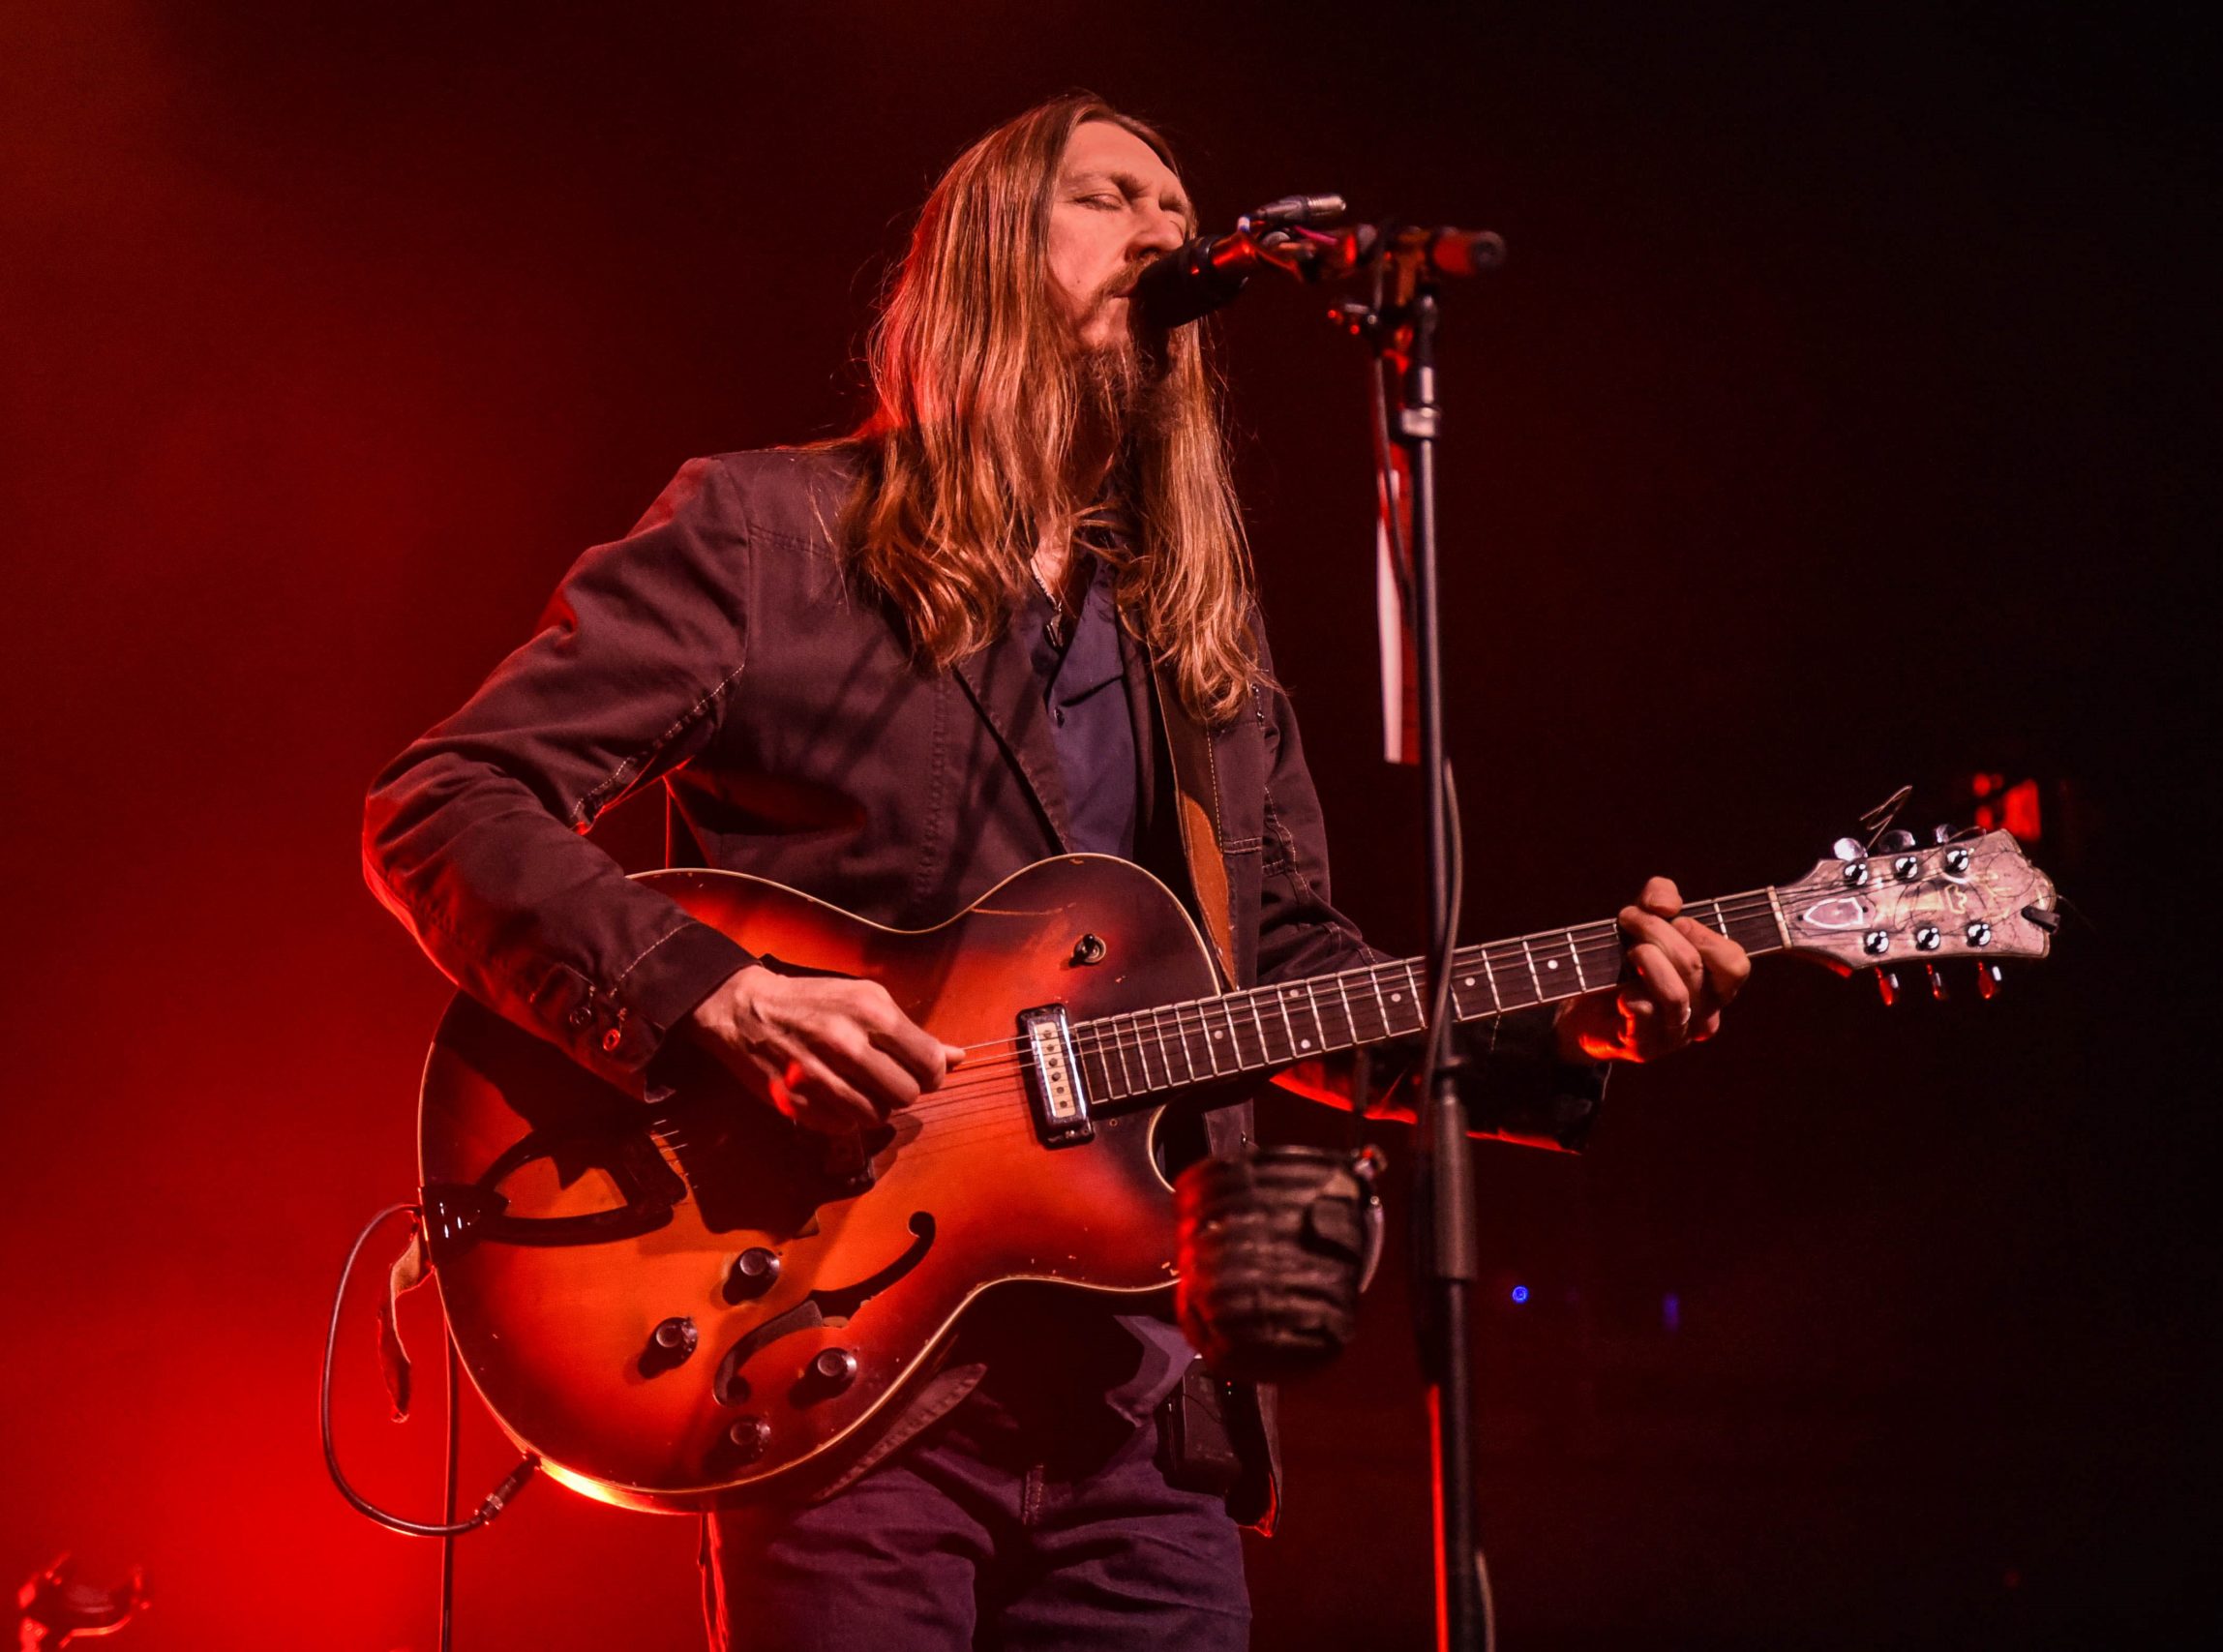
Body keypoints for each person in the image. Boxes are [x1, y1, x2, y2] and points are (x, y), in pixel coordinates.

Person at [363, 94, 1750, 1652]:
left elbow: (1284, 979)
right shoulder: (770, 533)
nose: (1169, 234)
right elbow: (449, 800)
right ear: (985, 257)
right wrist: (721, 1000)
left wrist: (1563, 1026)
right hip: (828, 1365)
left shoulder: (1196, 643)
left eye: (1179, 205)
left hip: (1140, 1417)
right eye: (1113, 197)